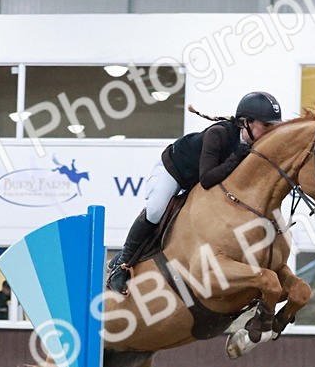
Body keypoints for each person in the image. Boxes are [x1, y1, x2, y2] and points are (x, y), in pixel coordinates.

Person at [106, 91, 285, 294]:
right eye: (267, 126)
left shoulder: (255, 146)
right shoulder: (218, 134)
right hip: (175, 170)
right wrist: (236, 158)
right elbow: (207, 179)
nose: (271, 131)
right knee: (155, 211)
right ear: (246, 122)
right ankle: (122, 264)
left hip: (200, 179)